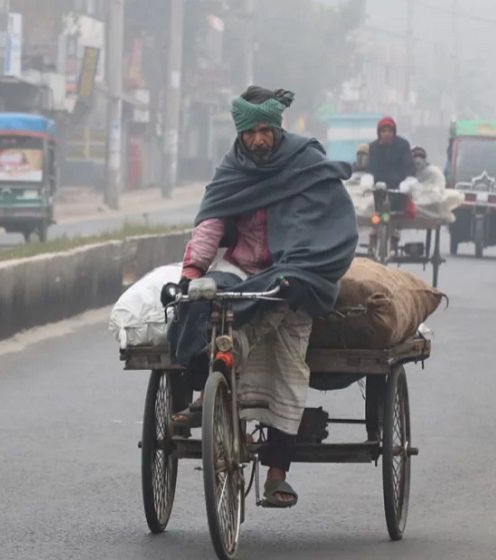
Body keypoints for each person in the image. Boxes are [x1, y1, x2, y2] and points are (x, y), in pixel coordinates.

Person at [167, 86, 358, 508]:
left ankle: (276, 475)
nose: (257, 140)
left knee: (290, 367)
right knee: (206, 299)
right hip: (244, 266)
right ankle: (213, 384)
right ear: (240, 133)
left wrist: (300, 267)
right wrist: (193, 272)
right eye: (250, 132)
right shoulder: (233, 166)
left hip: (295, 271)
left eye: (264, 131)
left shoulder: (305, 160)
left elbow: (329, 222)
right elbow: (212, 221)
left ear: (277, 127)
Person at [368, 116, 414, 190]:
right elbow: (371, 168)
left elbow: (409, 166)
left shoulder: (403, 145)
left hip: (401, 185)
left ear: (394, 132)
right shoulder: (373, 147)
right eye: (384, 131)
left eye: (390, 131)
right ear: (379, 133)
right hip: (379, 185)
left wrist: (407, 182)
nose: (387, 134)